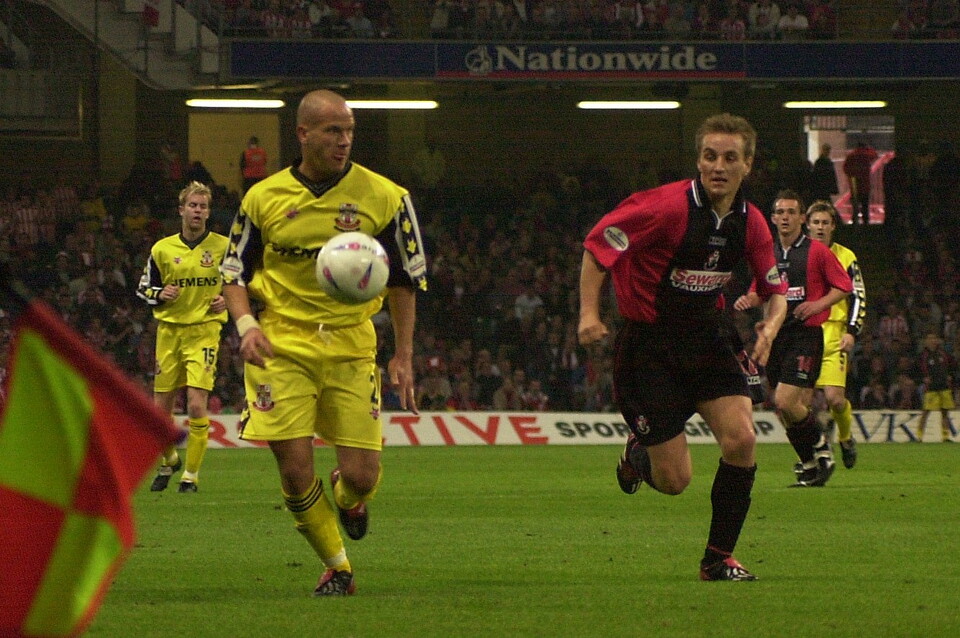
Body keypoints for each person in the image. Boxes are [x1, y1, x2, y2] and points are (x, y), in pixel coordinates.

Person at [220, 89, 427, 597]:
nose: (344, 141)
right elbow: (233, 271)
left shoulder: (386, 196)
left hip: (351, 345)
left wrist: (403, 354)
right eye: (333, 131)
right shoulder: (262, 197)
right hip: (280, 346)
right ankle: (338, 567)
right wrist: (246, 326)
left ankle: (349, 497)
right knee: (294, 471)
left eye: (349, 131)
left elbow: (405, 281)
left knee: (362, 474)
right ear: (303, 133)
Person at [579, 113, 788, 582]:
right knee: (674, 482)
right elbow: (598, 246)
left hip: (709, 337)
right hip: (649, 346)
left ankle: (717, 559)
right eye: (710, 156)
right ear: (698, 160)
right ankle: (639, 454)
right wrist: (589, 314)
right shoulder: (664, 207)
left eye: (730, 158)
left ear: (747, 165)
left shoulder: (751, 222)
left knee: (742, 439)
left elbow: (775, 288)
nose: (719, 166)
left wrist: (771, 328)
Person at [735, 190, 852, 487]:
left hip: (805, 334)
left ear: (802, 218)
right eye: (780, 212)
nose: (785, 217)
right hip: (776, 336)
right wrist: (749, 300)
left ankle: (821, 447)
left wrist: (817, 305)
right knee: (784, 410)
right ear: (773, 218)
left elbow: (843, 286)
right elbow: (759, 290)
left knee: (786, 401)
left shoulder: (817, 251)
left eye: (791, 212)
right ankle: (810, 464)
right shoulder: (768, 254)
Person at [136, 181, 229, 493]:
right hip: (169, 333)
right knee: (159, 412)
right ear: (181, 210)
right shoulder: (162, 249)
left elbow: (242, 282)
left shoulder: (222, 247)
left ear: (208, 212)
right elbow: (143, 288)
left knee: (196, 405)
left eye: (203, 206)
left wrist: (227, 299)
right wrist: (160, 293)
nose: (197, 211)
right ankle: (170, 459)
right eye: (193, 205)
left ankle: (190, 475)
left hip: (204, 331)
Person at [806, 200, 866, 468]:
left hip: (834, 334)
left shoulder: (846, 256)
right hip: (804, 334)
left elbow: (858, 296)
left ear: (833, 227)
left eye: (825, 223)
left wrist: (852, 331)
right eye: (816, 222)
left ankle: (845, 437)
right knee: (798, 403)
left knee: (834, 399)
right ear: (807, 225)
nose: (820, 227)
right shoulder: (798, 255)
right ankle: (814, 452)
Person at [915, 332, 957, 442]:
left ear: (937, 340)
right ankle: (919, 436)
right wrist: (923, 379)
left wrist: (950, 376)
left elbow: (953, 366)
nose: (932, 340)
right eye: (930, 338)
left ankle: (945, 436)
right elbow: (915, 371)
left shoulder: (943, 354)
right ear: (926, 341)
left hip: (944, 387)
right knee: (926, 412)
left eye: (934, 338)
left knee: (945, 413)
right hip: (931, 388)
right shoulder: (922, 356)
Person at [843, 142, 878, 225]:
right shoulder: (866, 155)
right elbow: (875, 155)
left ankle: (855, 223)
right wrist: (869, 148)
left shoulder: (851, 155)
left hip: (855, 185)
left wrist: (852, 175)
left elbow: (845, 168)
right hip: (865, 185)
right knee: (865, 206)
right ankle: (866, 224)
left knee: (855, 206)